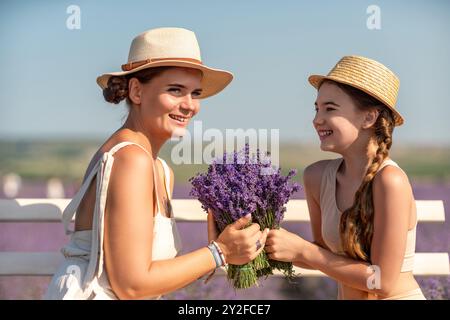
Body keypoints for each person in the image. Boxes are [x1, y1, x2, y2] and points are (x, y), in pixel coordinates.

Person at [44, 27, 269, 300]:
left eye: (195, 93)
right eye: (175, 90)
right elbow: (131, 286)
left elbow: (148, 275)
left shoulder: (160, 169)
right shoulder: (131, 159)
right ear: (137, 91)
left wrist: (219, 249)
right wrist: (220, 252)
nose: (190, 106)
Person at [265, 55, 426, 300]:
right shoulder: (317, 177)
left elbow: (381, 281)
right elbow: (325, 254)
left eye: (330, 108)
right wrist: (270, 242)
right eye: (317, 108)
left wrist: (303, 251)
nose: (317, 119)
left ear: (369, 118)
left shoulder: (389, 181)